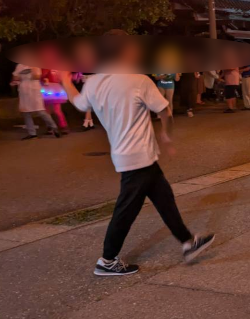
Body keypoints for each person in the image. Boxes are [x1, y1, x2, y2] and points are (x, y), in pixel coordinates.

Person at [58, 31, 215, 276]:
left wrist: (65, 80)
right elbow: (165, 111)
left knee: (164, 198)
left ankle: (188, 242)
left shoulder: (95, 82)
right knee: (126, 210)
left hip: (129, 155)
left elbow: (79, 104)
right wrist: (167, 133)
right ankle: (107, 261)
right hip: (137, 156)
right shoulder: (138, 80)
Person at [12, 63, 60, 140]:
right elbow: (15, 77)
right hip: (24, 90)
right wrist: (17, 77)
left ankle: (54, 127)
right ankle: (32, 134)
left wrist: (28, 71)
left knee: (40, 111)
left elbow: (37, 76)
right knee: (26, 112)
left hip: (34, 90)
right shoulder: (19, 65)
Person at [41, 68, 70, 134]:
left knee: (55, 110)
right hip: (48, 89)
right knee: (47, 110)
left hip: (53, 89)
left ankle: (62, 126)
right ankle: (51, 126)